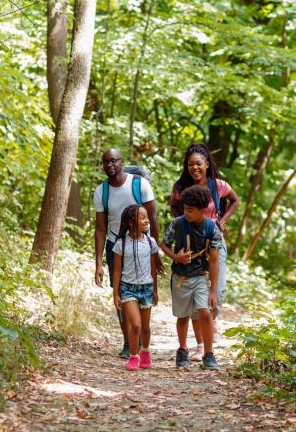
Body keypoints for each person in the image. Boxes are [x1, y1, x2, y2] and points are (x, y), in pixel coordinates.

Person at [170, 143, 239, 359]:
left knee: (216, 292)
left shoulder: (218, 185)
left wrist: (223, 220)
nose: (194, 168)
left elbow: (235, 200)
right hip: (190, 244)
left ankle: (211, 319)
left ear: (207, 164)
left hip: (214, 242)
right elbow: (174, 206)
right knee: (195, 295)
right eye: (190, 164)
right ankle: (201, 345)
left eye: (199, 164)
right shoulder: (181, 186)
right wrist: (180, 223)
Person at [93, 149, 163, 358]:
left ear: (122, 161)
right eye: (105, 162)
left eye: (113, 160)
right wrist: (98, 264)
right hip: (117, 245)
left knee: (144, 288)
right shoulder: (101, 191)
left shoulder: (139, 185)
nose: (109, 165)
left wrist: (156, 251)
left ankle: (141, 337)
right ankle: (127, 342)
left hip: (143, 244)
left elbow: (153, 217)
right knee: (121, 293)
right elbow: (100, 229)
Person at [161, 185, 223, 371]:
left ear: (203, 211)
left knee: (205, 312)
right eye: (184, 208)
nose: (186, 213)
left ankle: (209, 353)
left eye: (190, 210)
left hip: (201, 277)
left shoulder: (212, 229)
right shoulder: (178, 223)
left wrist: (213, 290)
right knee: (183, 315)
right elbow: (164, 244)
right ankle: (182, 349)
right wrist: (176, 257)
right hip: (181, 277)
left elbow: (214, 261)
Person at [112, 204, 158, 371]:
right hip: (128, 288)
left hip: (146, 288)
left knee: (145, 327)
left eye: (147, 217)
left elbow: (153, 267)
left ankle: (145, 351)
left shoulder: (150, 242)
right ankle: (133, 356)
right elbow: (117, 270)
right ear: (131, 222)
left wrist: (155, 290)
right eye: (142, 218)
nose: (147, 221)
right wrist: (115, 293)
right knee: (136, 325)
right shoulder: (121, 244)